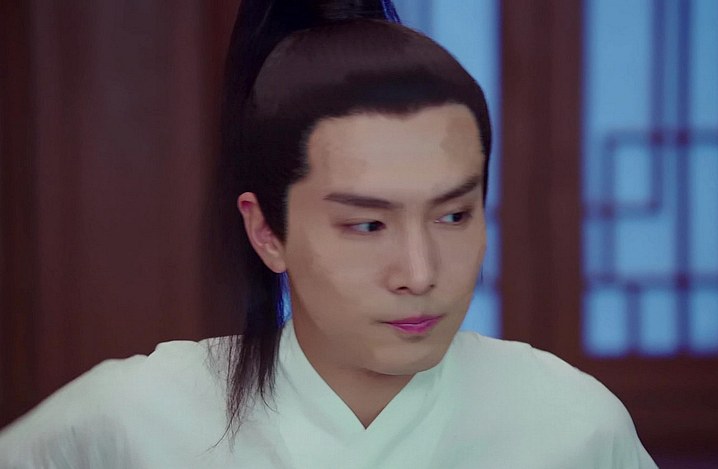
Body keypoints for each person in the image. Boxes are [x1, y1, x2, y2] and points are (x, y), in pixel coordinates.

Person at [0, 1, 657, 467]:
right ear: (266, 230)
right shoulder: (134, 420)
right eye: (367, 224)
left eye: (452, 215)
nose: (419, 272)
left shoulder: (570, 425)